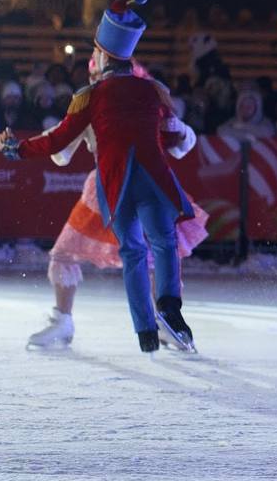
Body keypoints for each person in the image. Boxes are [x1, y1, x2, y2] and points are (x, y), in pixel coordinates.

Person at [0, 0, 197, 354]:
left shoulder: (94, 97)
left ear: (103, 58)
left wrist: (19, 149)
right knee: (138, 248)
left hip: (116, 184)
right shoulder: (143, 92)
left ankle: (156, 325)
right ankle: (81, 319)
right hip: (124, 183)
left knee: (141, 252)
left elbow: (60, 142)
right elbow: (65, 145)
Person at [28, 63, 209, 350]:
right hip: (104, 188)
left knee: (152, 255)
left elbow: (182, 143)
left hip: (144, 182)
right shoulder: (91, 101)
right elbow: (61, 154)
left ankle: (165, 322)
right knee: (65, 253)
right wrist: (60, 133)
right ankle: (62, 320)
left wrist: (176, 126)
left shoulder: (146, 101)